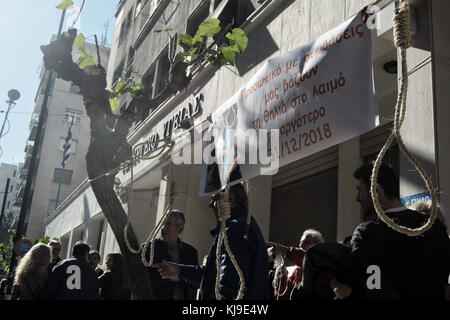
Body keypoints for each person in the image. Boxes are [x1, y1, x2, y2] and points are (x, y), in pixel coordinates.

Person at [349, 162, 450, 299]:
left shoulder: (366, 234)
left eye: (359, 190)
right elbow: (444, 283)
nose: (357, 198)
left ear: (377, 191)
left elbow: (374, 288)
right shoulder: (434, 226)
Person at [153, 183, 270, 300]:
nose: (210, 204)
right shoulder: (244, 226)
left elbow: (229, 283)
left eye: (215, 198)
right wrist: (180, 271)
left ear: (230, 198)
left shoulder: (236, 228)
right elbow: (213, 275)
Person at [142, 209, 198, 300]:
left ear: (180, 229)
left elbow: (195, 281)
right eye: (162, 223)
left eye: (168, 224)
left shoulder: (191, 252)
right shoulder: (148, 249)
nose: (163, 228)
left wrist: (179, 276)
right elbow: (141, 280)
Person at [268, 229, 325, 300]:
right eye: (300, 242)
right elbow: (282, 296)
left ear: (317, 246)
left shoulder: (322, 263)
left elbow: (308, 259)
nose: (300, 245)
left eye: (306, 242)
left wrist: (285, 250)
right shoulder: (297, 270)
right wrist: (282, 278)